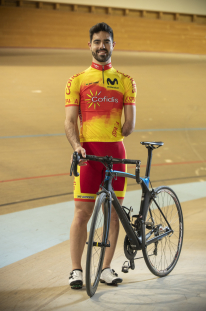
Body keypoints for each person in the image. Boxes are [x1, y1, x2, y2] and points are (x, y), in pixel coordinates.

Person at [65, 22, 137, 289]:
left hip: (115, 153)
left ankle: (106, 268)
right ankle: (75, 270)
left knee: (114, 214)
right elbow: (69, 122)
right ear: (90, 45)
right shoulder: (77, 80)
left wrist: (121, 119)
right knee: (82, 213)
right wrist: (77, 146)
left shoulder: (127, 81)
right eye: (97, 42)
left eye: (106, 41)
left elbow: (129, 128)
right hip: (88, 155)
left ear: (113, 45)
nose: (101, 46)